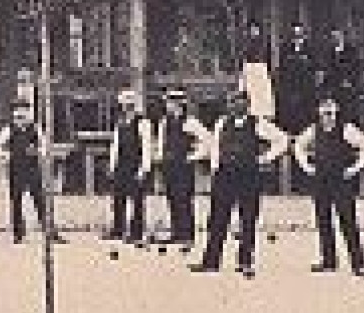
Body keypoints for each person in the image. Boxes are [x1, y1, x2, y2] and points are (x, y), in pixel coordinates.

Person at [191, 90, 288, 278]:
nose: (235, 106)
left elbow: (282, 140)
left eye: (239, 102)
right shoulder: (222, 123)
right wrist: (215, 169)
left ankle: (245, 261)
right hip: (225, 175)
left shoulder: (258, 124)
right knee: (217, 219)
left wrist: (264, 158)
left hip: (248, 176)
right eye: (232, 102)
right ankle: (211, 261)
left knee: (248, 219)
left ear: (247, 105)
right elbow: (215, 147)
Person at [293, 95, 364, 275]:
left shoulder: (346, 128)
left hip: (341, 179)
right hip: (321, 179)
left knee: (348, 221)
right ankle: (328, 260)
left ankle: (358, 263)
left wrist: (354, 168)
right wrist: (307, 166)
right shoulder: (313, 129)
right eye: (324, 108)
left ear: (336, 110)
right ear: (318, 111)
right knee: (323, 220)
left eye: (330, 108)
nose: (327, 112)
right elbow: (298, 145)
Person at [152, 87, 211, 249]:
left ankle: (188, 234)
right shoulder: (165, 122)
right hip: (168, 165)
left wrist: (194, 156)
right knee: (172, 198)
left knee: (184, 198)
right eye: (167, 102)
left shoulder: (190, 122)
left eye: (171, 102)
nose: (168, 105)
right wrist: (158, 158)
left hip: (183, 166)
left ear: (179, 103)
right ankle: (177, 232)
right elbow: (161, 142)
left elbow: (207, 139)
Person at [0, 100, 48, 243]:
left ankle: (49, 232)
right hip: (16, 169)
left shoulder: (36, 129)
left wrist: (39, 151)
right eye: (18, 111)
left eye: (24, 110)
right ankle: (18, 234)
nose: (21, 114)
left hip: (33, 168)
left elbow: (45, 146)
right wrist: (7, 155)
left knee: (40, 200)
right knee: (16, 201)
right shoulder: (9, 129)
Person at [106, 89, 154, 244]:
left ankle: (136, 232)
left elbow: (147, 146)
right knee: (118, 199)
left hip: (135, 164)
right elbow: (115, 145)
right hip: (121, 165)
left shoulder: (143, 122)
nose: (127, 107)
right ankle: (118, 230)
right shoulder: (120, 123)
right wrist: (112, 165)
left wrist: (144, 168)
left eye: (130, 104)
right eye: (124, 104)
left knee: (137, 200)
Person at [276, 22, 320, 135]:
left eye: (299, 33)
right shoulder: (285, 48)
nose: (297, 36)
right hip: (290, 85)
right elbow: (282, 67)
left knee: (305, 112)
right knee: (291, 112)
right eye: (295, 34)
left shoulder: (311, 48)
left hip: (306, 86)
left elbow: (315, 67)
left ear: (303, 34)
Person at [321, 27, 364, 123]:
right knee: (336, 118)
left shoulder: (352, 51)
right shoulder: (328, 53)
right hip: (334, 91)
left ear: (342, 36)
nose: (335, 39)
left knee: (350, 118)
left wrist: (352, 84)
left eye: (337, 36)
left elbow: (357, 71)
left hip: (350, 91)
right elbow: (326, 72)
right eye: (333, 37)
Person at [239, 20, 276, 120]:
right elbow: (243, 59)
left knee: (262, 94)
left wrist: (268, 71)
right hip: (250, 69)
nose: (254, 32)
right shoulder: (245, 44)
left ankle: (263, 116)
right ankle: (253, 115)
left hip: (261, 69)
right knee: (251, 94)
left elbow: (267, 59)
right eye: (251, 30)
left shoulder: (264, 44)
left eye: (255, 29)